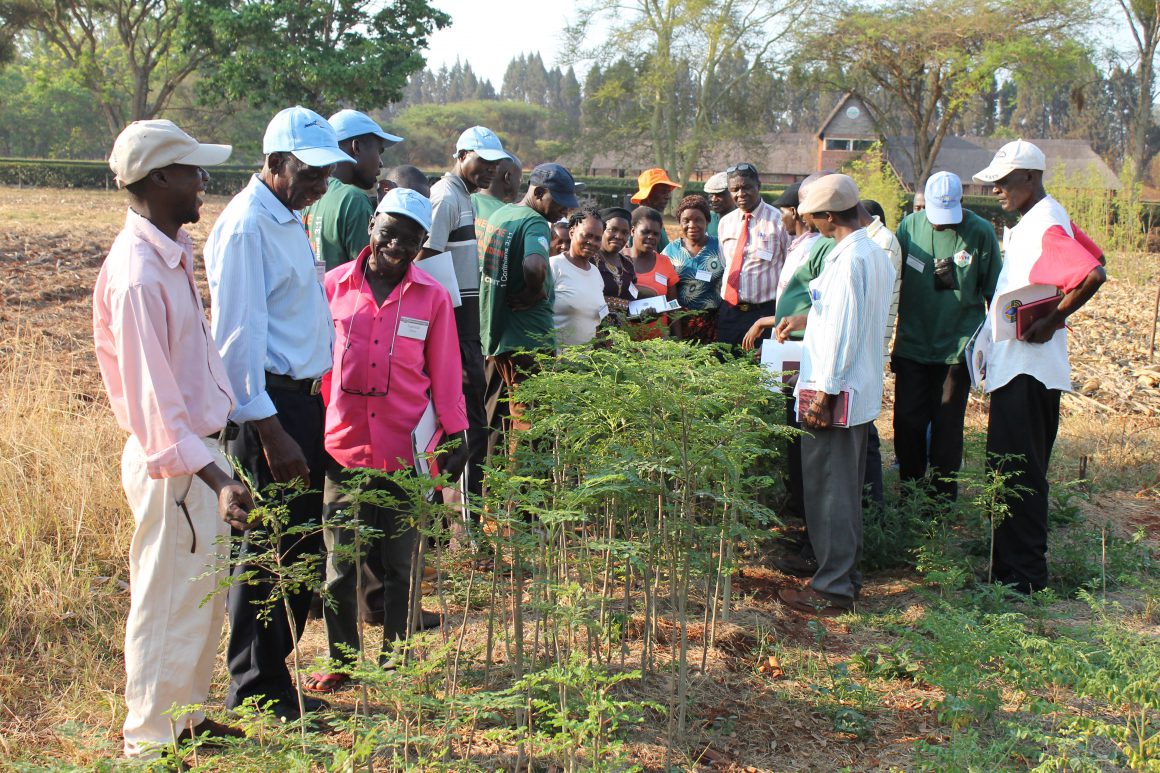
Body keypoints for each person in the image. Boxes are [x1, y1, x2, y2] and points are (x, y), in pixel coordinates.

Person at [93, 120, 251, 758]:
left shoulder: (171, 249)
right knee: (166, 597)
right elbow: (156, 406)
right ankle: (150, 741)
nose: (201, 181)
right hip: (175, 466)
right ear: (159, 178)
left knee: (200, 595)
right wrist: (217, 479)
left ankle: (185, 720)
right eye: (191, 170)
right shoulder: (137, 275)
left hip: (197, 455)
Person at [205, 105, 350, 720]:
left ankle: (272, 677)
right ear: (274, 164)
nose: (321, 181)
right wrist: (271, 433)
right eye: (309, 170)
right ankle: (256, 688)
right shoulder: (245, 227)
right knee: (268, 551)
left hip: (300, 401)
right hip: (271, 409)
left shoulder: (288, 215)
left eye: (326, 170)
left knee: (296, 549)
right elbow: (236, 343)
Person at [302, 188, 469, 691]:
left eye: (410, 239)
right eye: (389, 232)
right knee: (341, 563)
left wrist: (456, 433)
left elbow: (445, 371)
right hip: (345, 445)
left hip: (406, 448)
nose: (396, 245)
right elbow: (315, 364)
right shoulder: (332, 287)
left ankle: (397, 657)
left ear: (422, 244)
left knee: (400, 561)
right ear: (373, 225)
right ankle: (343, 660)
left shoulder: (432, 297)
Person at [973, 140, 1105, 594]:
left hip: (1028, 372)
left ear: (1029, 177)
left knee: (1019, 474)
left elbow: (1092, 273)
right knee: (1010, 469)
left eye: (1004, 183)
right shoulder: (1046, 217)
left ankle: (1023, 580)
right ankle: (1007, 570)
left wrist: (1051, 320)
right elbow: (1097, 256)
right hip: (1020, 369)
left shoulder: (1044, 224)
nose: (997, 192)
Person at [778, 174, 895, 616]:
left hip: (835, 391)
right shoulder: (871, 253)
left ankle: (831, 589)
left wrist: (823, 395)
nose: (813, 226)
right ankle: (844, 577)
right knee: (842, 490)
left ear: (830, 216)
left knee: (829, 490)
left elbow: (844, 334)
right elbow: (843, 319)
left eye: (815, 219)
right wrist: (805, 320)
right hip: (854, 387)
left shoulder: (848, 261)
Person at [419, 125, 511, 520]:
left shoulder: (463, 197)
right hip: (451, 329)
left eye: (495, 164)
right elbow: (424, 260)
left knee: (468, 426)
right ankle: (458, 525)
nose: (490, 170)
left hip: (465, 328)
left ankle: (451, 522)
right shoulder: (444, 197)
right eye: (483, 162)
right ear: (460, 156)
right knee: (467, 427)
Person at [892, 172, 1001, 502]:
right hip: (913, 344)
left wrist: (990, 348)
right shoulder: (909, 228)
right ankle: (911, 492)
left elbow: (994, 292)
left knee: (946, 427)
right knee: (907, 423)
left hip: (956, 349)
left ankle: (940, 501)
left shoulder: (980, 233)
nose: (940, 224)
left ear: (961, 203)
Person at [480, 163, 578, 394]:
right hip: (529, 339)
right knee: (532, 416)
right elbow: (534, 266)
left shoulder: (501, 214)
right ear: (538, 193)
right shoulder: (535, 221)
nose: (565, 209)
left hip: (498, 332)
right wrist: (534, 292)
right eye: (560, 200)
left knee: (501, 412)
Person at [302, 110, 402, 270]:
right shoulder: (352, 200)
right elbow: (373, 274)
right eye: (379, 151)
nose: (381, 163)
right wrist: (389, 216)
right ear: (356, 147)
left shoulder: (307, 195)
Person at [716, 163, 788, 347]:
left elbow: (790, 267)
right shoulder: (725, 222)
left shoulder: (779, 221)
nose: (740, 194)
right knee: (725, 368)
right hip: (730, 312)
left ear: (758, 186)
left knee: (760, 369)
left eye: (746, 187)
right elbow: (726, 262)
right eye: (734, 189)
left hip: (764, 313)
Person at [662, 194, 722, 343]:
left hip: (713, 323)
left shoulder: (720, 248)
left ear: (707, 221)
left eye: (698, 220)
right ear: (679, 223)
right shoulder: (670, 251)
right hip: (678, 323)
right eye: (686, 221)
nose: (692, 225)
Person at [550, 208, 608, 346]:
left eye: (597, 238)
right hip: (553, 362)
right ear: (571, 233)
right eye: (587, 235)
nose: (591, 242)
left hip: (587, 364)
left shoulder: (596, 274)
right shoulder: (554, 266)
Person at [625, 206, 679, 336]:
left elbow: (673, 306)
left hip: (658, 344)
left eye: (656, 234)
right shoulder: (619, 260)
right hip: (624, 342)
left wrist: (678, 340)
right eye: (645, 232)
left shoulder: (665, 263)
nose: (651, 237)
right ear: (632, 231)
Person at [629, 167, 681, 250]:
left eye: (668, 192)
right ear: (649, 194)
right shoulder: (639, 218)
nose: (668, 197)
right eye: (663, 192)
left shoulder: (653, 218)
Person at [472, 154, 524, 233]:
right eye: (519, 179)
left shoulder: (465, 201)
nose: (520, 183)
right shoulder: (512, 217)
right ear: (508, 177)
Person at [704, 171, 734, 239]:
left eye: (719, 195)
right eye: (711, 195)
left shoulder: (744, 219)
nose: (713, 199)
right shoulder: (706, 219)